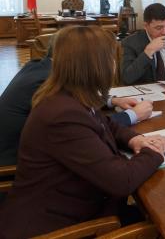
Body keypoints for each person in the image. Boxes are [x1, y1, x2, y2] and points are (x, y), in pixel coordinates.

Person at [0, 26, 165, 238]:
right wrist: (153, 151)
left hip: (78, 202)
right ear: (95, 66)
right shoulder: (62, 115)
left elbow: (106, 123)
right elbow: (121, 180)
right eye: (111, 59)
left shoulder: (69, 95)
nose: (114, 66)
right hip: (57, 225)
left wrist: (135, 139)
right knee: (164, 225)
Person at [0, 34, 154, 167]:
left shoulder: (39, 67)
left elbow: (77, 100)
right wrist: (132, 115)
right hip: (17, 165)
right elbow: (83, 126)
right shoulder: (48, 84)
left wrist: (112, 101)